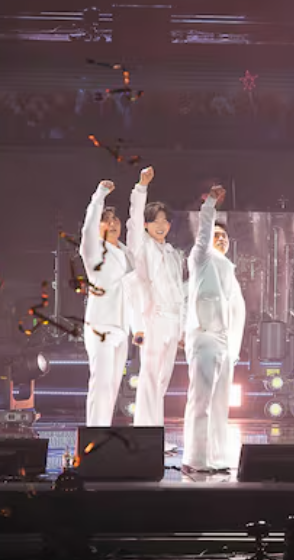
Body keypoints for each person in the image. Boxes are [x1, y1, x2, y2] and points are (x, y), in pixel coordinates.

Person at [182, 185, 246, 473]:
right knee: (202, 401)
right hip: (205, 336)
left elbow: (237, 313)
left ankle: (218, 456)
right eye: (215, 235)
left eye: (224, 236)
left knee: (220, 404)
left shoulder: (228, 269)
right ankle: (196, 458)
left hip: (224, 343)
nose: (220, 239)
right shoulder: (201, 258)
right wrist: (210, 204)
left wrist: (233, 349)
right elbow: (205, 230)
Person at [123, 166, 186, 449]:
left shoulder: (172, 254)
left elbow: (179, 293)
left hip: (172, 322)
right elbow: (133, 223)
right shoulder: (142, 246)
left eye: (165, 221)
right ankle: (146, 435)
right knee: (149, 379)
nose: (161, 225)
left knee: (162, 381)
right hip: (153, 320)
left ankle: (153, 434)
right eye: (155, 220)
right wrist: (141, 188)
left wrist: (181, 329)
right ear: (147, 224)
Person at [79, 180, 134, 427]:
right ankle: (94, 434)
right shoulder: (93, 250)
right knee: (100, 385)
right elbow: (88, 227)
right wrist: (99, 196)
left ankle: (104, 432)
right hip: (101, 326)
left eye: (115, 219)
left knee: (112, 387)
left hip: (122, 327)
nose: (112, 224)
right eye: (106, 220)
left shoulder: (126, 252)